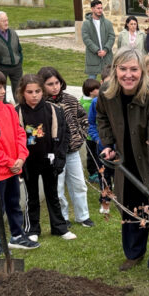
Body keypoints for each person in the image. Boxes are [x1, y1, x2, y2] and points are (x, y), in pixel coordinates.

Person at [96, 47, 149, 284]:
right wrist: (109, 142)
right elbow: (101, 116)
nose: (128, 75)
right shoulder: (106, 92)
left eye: (134, 69)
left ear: (142, 71)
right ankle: (134, 253)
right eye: (123, 69)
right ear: (115, 70)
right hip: (125, 154)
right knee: (131, 204)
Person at [0, 66, 39, 257]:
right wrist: (9, 161)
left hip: (14, 166)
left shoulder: (8, 109)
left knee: (14, 202)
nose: (3, 91)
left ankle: (16, 235)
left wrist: (21, 157)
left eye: (3, 86)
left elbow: (21, 133)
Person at [14, 74, 77, 242]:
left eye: (38, 91)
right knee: (32, 197)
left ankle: (59, 228)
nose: (34, 95)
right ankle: (32, 229)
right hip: (28, 163)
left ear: (43, 91)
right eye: (29, 92)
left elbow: (64, 137)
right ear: (22, 92)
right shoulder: (16, 112)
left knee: (53, 195)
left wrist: (59, 159)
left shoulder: (53, 110)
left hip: (49, 161)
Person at [38, 66, 94, 228]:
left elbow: (83, 118)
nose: (55, 86)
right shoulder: (42, 105)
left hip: (72, 151)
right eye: (50, 84)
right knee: (58, 187)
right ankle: (62, 218)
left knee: (79, 185)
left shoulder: (70, 100)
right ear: (42, 85)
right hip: (54, 155)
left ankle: (83, 216)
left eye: (57, 82)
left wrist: (80, 136)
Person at [88, 65, 113, 215]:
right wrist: (98, 140)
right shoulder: (95, 102)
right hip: (102, 147)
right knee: (104, 176)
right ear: (101, 82)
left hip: (119, 147)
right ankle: (105, 202)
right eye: (107, 82)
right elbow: (91, 124)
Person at [81, 0, 115, 79]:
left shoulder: (108, 23)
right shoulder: (86, 24)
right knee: (92, 80)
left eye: (101, 8)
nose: (100, 10)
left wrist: (106, 50)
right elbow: (86, 39)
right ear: (92, 9)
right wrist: (97, 50)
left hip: (107, 56)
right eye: (98, 8)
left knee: (109, 81)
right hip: (93, 56)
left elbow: (112, 37)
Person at [79, 78, 102, 182]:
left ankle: (98, 171)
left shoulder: (85, 101)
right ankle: (93, 174)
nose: (100, 89)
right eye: (97, 88)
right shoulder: (88, 104)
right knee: (92, 155)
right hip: (91, 135)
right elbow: (92, 120)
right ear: (91, 91)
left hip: (93, 134)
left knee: (96, 154)